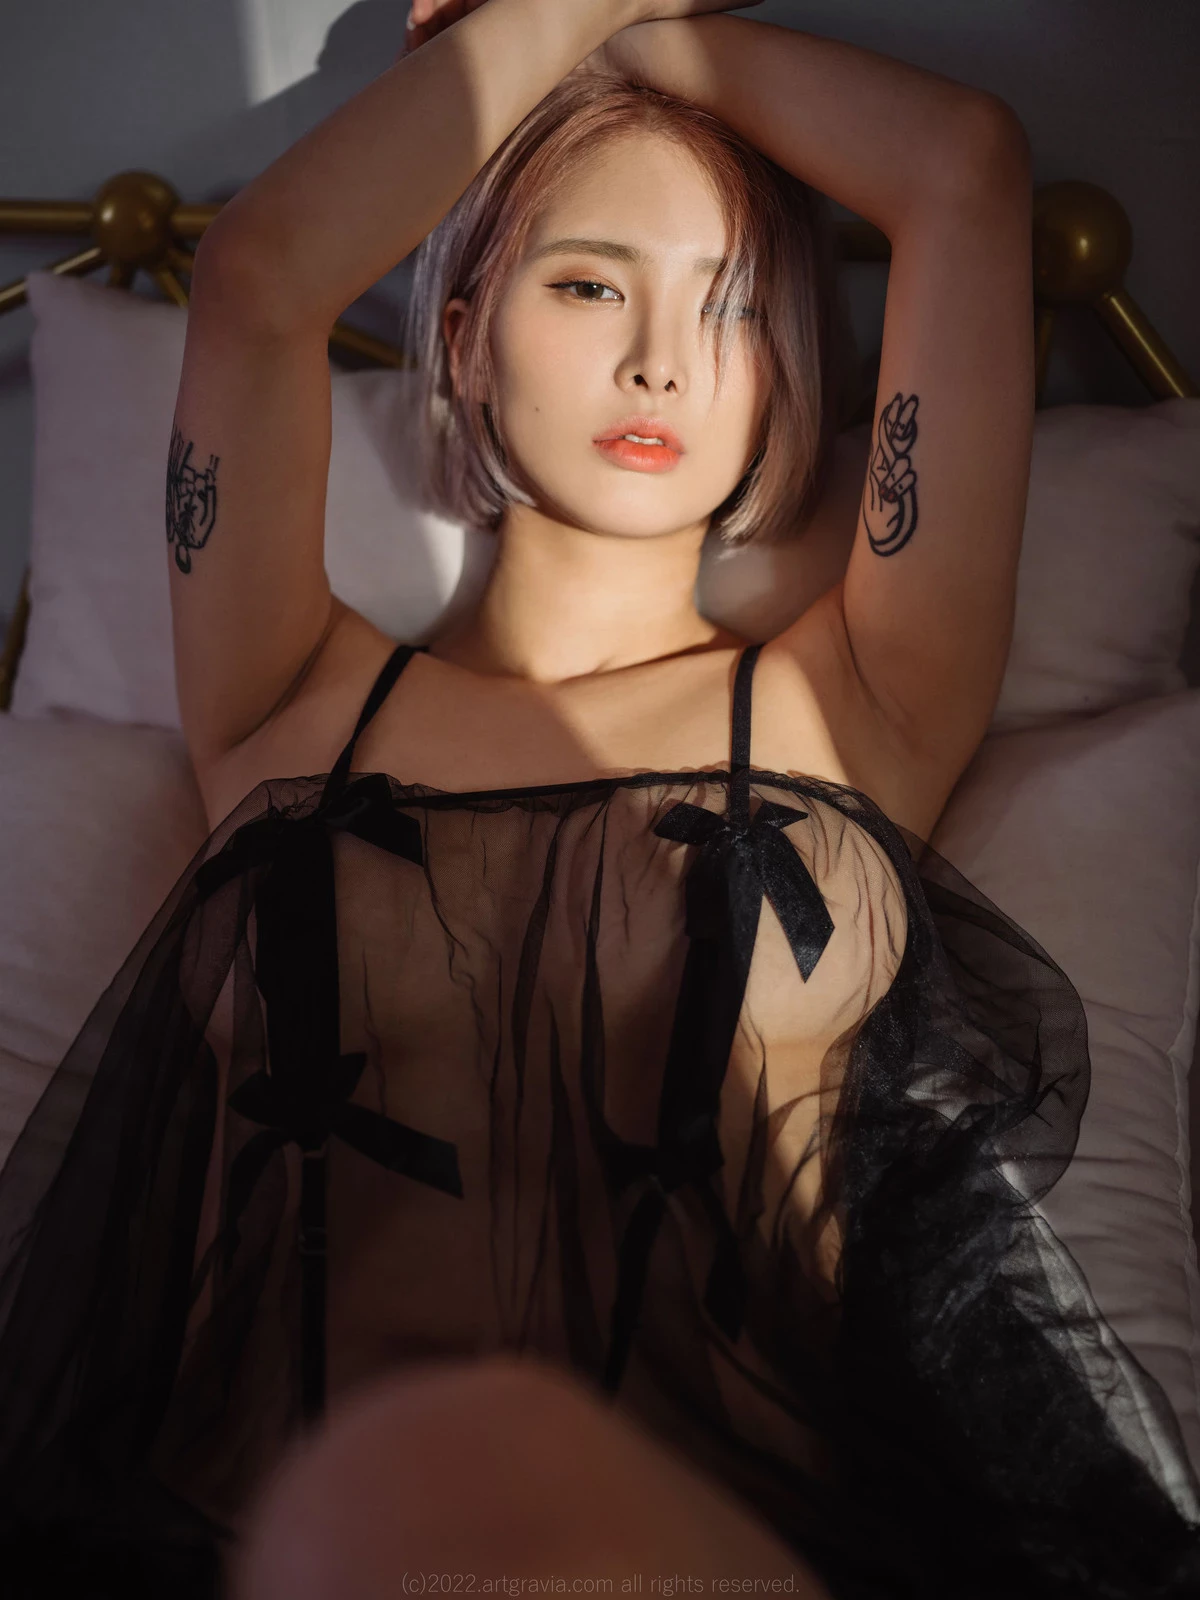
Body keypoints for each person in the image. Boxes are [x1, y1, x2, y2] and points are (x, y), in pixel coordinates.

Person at [1, 1, 1198, 1596]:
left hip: (732, 1543)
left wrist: (611, 28)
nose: (661, 358)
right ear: (462, 335)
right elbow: (258, 275)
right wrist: (560, 19)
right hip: (290, 1533)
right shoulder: (291, 698)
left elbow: (962, 167)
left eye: (734, 303)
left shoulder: (856, 700)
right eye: (587, 284)